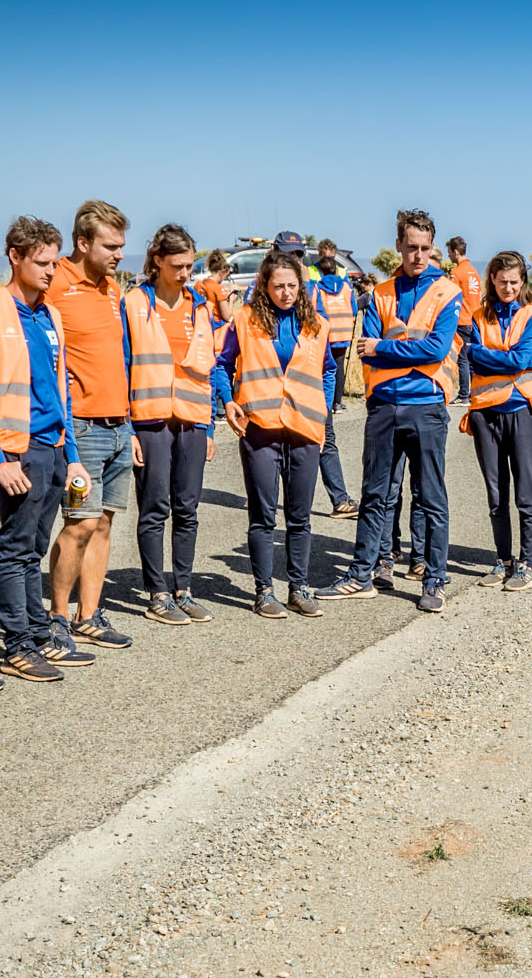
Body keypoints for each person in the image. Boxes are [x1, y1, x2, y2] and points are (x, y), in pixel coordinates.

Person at [0, 216, 89, 682]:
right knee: (16, 549)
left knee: (35, 546)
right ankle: (17, 645)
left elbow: (60, 391)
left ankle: (39, 633)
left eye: (54, 263)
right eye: (41, 262)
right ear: (14, 257)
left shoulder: (50, 315)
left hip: (53, 447)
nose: (51, 271)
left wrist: (72, 453)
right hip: (18, 451)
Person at [327, 210, 462, 613]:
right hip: (384, 405)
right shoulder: (380, 293)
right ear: (399, 245)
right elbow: (362, 349)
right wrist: (397, 353)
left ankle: (434, 580)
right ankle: (362, 574)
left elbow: (435, 349)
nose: (419, 255)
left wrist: (386, 348)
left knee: (431, 496)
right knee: (375, 494)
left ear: (433, 248)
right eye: (412, 247)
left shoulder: (447, 291)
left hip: (426, 406)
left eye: (425, 248)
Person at [214, 249, 327, 619]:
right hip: (260, 430)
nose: (285, 293)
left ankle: (299, 587)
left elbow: (328, 370)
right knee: (263, 516)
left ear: (301, 286)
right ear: (264, 285)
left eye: (292, 286)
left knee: (300, 516)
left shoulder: (316, 324)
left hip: (304, 431)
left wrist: (322, 408)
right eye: (278, 286)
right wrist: (227, 399)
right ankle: (264, 591)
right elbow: (222, 364)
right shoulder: (245, 320)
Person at [47, 199, 136, 654]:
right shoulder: (55, 284)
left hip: (120, 425)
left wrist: (132, 427)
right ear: (83, 242)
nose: (120, 254)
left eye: (122, 245)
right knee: (79, 524)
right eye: (111, 245)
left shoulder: (112, 289)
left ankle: (90, 614)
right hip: (81, 429)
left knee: (103, 524)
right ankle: (58, 616)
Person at [125, 223, 217, 625]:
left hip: (193, 420)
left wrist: (209, 427)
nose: (185, 274)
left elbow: (207, 369)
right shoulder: (133, 303)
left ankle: (184, 588)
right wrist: (127, 430)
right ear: (157, 261)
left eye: (190, 266)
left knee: (188, 507)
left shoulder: (200, 306)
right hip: (150, 419)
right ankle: (156, 592)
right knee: (155, 507)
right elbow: (123, 365)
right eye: (178, 265)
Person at [461, 250, 532, 590]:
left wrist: (481, 354)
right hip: (486, 412)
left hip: (521, 411)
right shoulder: (478, 316)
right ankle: (503, 560)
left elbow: (524, 359)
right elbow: (468, 357)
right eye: (502, 282)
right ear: (492, 281)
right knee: (496, 494)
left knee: (525, 493)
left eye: (514, 282)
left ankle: (526, 563)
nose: (508, 288)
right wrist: (485, 356)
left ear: (523, 282)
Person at [309, 243, 358, 518]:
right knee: (325, 440)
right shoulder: (346, 285)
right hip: (339, 340)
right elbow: (351, 307)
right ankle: (339, 499)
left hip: (323, 345)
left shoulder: (314, 288)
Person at [445, 235, 483, 402]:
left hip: (462, 320)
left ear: (455, 252)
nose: (449, 256)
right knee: (472, 357)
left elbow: (450, 296)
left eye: (449, 253)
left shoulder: (457, 273)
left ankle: (463, 395)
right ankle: (475, 393)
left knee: (462, 359)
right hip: (475, 320)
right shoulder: (474, 272)